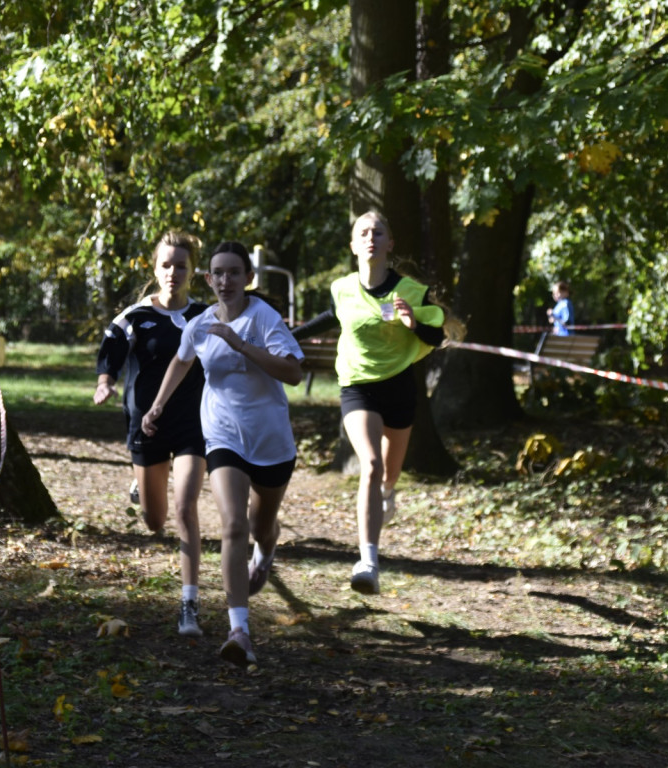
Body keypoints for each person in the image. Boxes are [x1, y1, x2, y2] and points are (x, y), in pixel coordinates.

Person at [142, 241, 304, 668]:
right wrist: (158, 405)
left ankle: (266, 552)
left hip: (271, 442)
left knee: (260, 526)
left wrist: (241, 344)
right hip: (223, 437)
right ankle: (240, 631)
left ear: (248, 278)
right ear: (209, 279)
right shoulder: (200, 323)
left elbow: (293, 371)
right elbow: (181, 360)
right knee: (232, 524)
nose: (226, 281)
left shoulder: (264, 319)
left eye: (235, 273)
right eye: (218, 273)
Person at [292, 211, 451, 596]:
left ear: (390, 243)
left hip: (399, 387)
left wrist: (414, 324)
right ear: (352, 245)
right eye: (362, 232)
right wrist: (288, 335)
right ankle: (368, 561)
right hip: (357, 387)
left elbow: (439, 330)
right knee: (372, 465)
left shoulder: (411, 290)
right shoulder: (343, 288)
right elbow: (331, 317)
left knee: (388, 478)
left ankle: (387, 495)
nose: (370, 238)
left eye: (378, 232)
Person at [93, 231, 208, 638]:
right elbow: (111, 350)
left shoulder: (205, 315)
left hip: (193, 425)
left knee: (185, 509)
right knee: (155, 522)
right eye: (166, 265)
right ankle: (142, 484)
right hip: (147, 422)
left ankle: (189, 604)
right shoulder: (135, 315)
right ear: (154, 269)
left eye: (181, 265)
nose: (173, 272)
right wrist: (105, 381)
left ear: (193, 271)